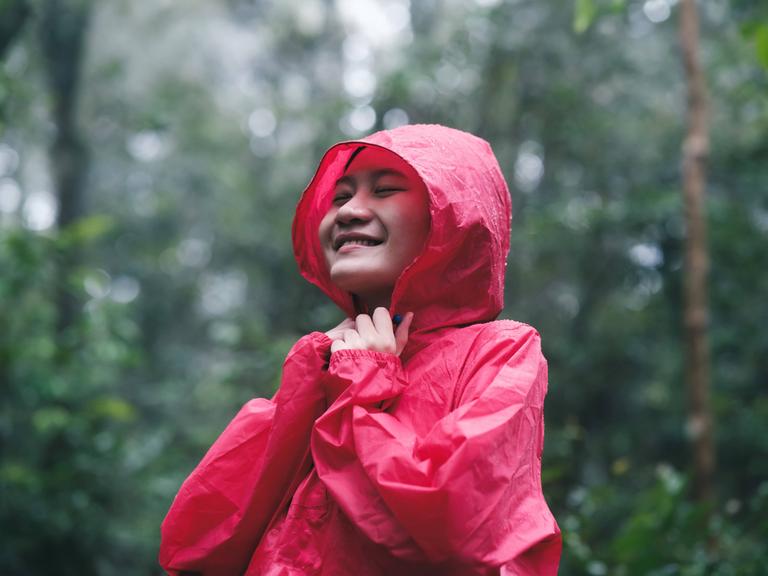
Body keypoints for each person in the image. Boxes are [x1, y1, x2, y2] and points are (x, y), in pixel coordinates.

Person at [159, 124, 561, 575]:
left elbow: (452, 526)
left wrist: (363, 382)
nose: (350, 210)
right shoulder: (326, 360)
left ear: (456, 217)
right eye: (338, 197)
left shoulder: (500, 351)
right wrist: (314, 378)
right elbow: (197, 545)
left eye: (385, 190)